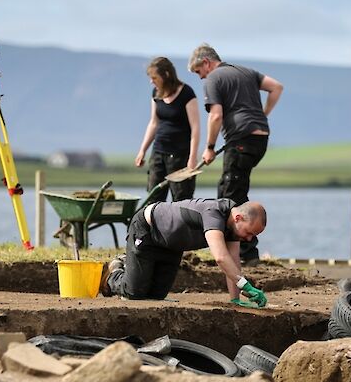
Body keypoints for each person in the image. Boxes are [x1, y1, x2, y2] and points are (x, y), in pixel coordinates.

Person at [187, 43, 284, 265]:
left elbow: (215, 116)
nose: (202, 78)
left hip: (240, 139)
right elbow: (276, 87)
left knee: (230, 196)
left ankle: (246, 254)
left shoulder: (214, 78)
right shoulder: (245, 72)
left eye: (199, 73)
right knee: (235, 189)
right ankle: (238, 251)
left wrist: (210, 146)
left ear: (206, 63)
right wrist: (262, 115)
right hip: (260, 139)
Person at [101, 198, 268, 308]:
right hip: (148, 231)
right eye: (250, 232)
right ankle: (113, 273)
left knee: (155, 297)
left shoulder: (233, 228)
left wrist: (236, 300)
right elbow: (220, 257)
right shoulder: (214, 213)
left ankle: (131, 265)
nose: (249, 238)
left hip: (172, 246)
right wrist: (245, 285)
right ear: (238, 218)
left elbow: (233, 261)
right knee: (134, 294)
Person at [135, 57, 201, 203]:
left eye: (154, 78)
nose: (151, 81)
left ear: (166, 74)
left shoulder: (186, 93)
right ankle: (155, 226)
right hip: (158, 153)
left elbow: (195, 127)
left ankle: (182, 226)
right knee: (154, 198)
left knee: (181, 199)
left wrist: (192, 158)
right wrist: (142, 150)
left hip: (180, 155)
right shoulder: (156, 93)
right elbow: (154, 123)